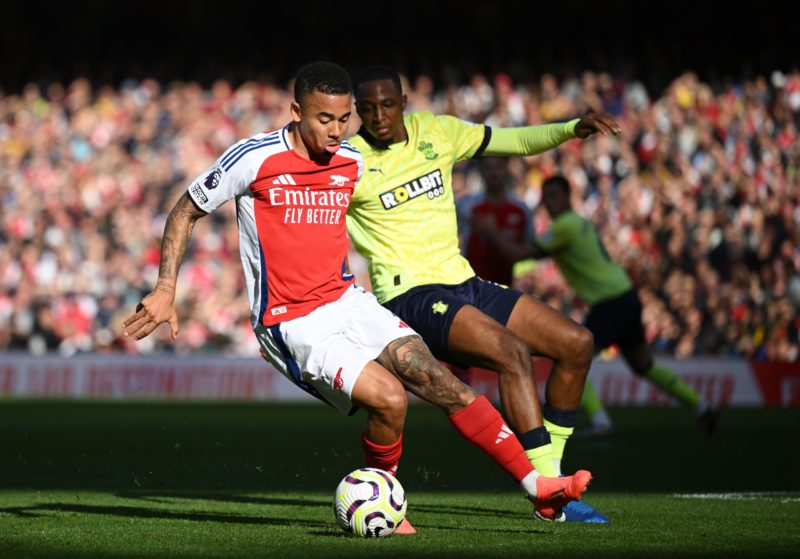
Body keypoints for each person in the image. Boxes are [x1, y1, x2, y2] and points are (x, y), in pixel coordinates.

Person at [121, 62, 592, 532]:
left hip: (348, 300)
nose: (336, 129)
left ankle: (538, 487)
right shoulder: (253, 157)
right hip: (292, 320)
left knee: (433, 376)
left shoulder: (352, 160)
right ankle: (380, 495)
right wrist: (166, 288)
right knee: (391, 400)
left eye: (344, 118)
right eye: (324, 119)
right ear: (296, 111)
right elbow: (185, 211)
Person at [348, 65, 619, 522]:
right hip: (409, 293)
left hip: (463, 281)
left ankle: (549, 481)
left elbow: (514, 140)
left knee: (576, 343)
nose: (378, 116)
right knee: (511, 352)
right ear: (357, 110)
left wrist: (572, 128)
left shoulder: (438, 132)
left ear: (404, 101)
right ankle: (547, 496)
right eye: (368, 108)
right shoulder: (347, 159)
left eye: (387, 105)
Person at [475, 174, 721, 438]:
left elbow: (519, 255)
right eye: (546, 197)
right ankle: (702, 407)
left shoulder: (564, 227)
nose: (549, 202)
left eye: (555, 196)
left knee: (573, 356)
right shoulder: (578, 222)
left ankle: (600, 421)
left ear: (569, 197)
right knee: (643, 365)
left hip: (610, 302)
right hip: (626, 295)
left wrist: (492, 232)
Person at [457, 158, 533, 287]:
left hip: (509, 287)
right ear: (481, 171)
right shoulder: (466, 207)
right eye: (488, 168)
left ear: (506, 169)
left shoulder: (521, 210)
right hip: (473, 287)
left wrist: (492, 233)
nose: (493, 173)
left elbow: (528, 251)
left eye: (498, 167)